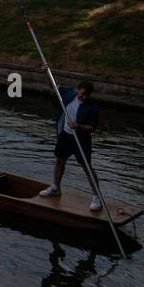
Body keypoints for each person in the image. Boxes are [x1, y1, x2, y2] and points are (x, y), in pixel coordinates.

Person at [39, 78, 103, 211]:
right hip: (65, 136)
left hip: (81, 139)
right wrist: (46, 71)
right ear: (77, 89)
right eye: (81, 94)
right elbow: (53, 86)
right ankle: (56, 188)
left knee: (87, 168)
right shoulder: (69, 93)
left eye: (86, 95)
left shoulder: (92, 108)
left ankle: (97, 197)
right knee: (60, 161)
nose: (83, 97)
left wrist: (78, 126)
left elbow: (92, 128)